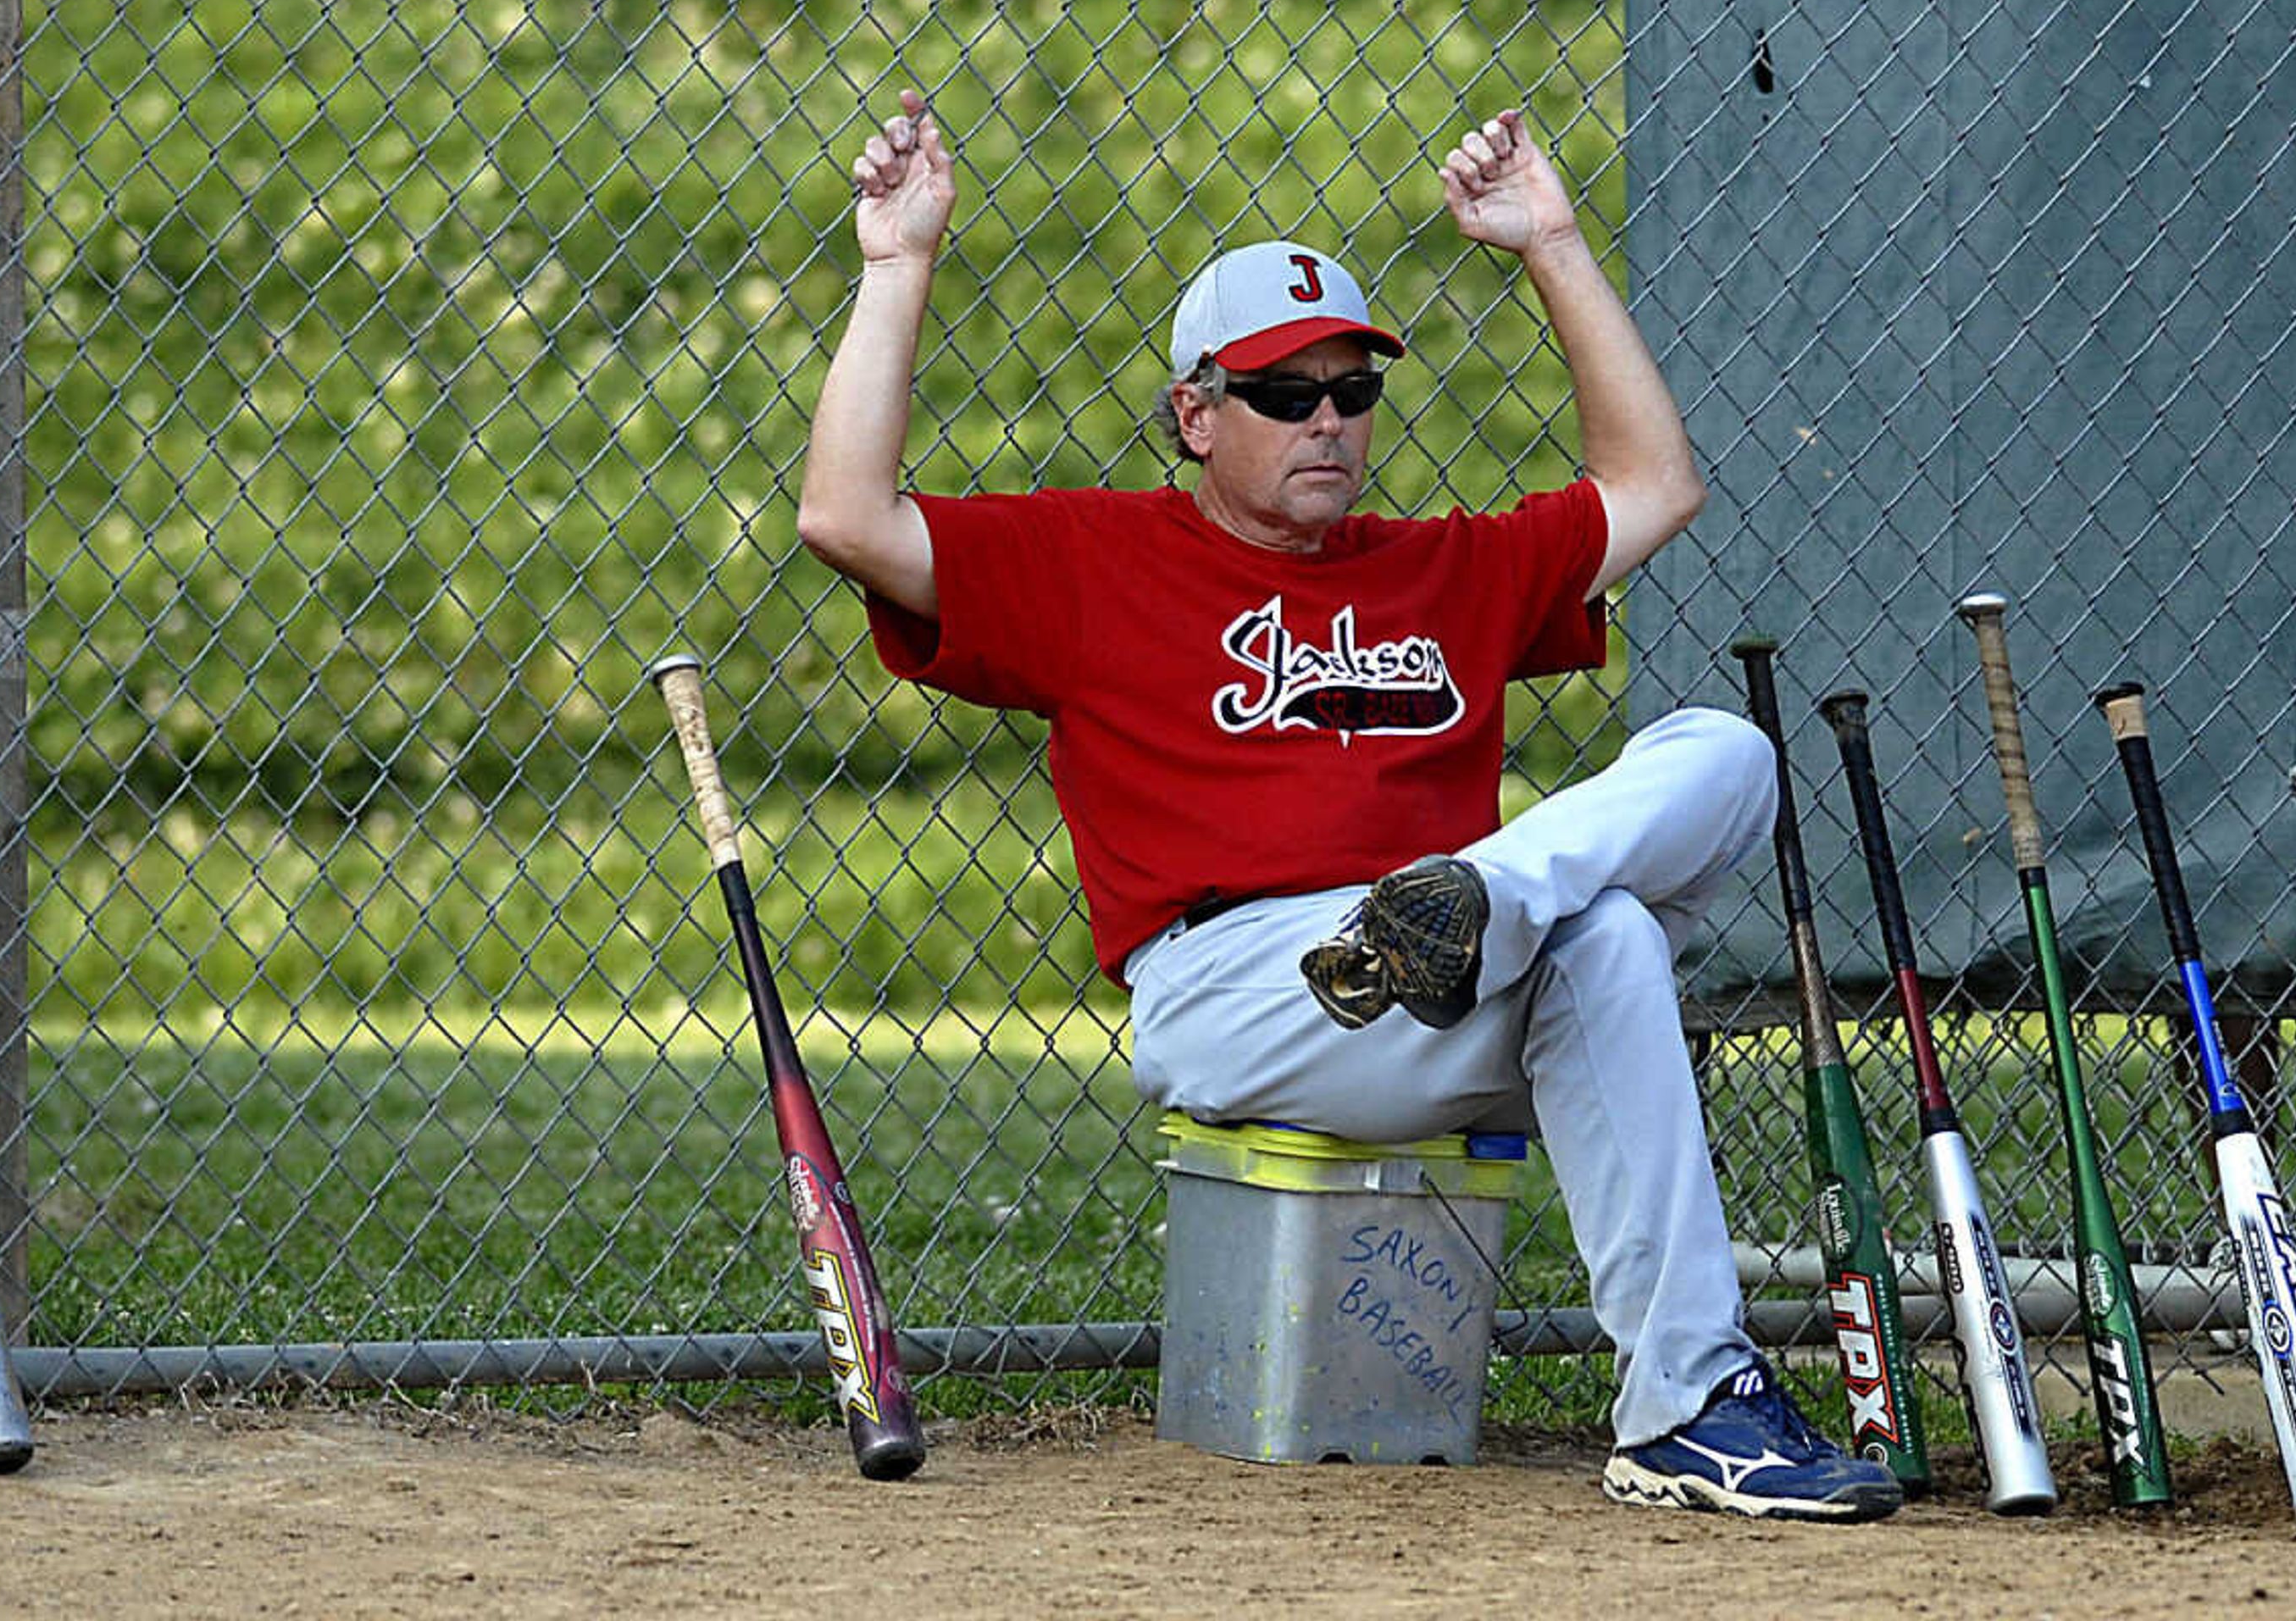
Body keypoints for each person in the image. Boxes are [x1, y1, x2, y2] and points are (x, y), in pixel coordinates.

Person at [794, 89, 1902, 1524]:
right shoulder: (1096, 558)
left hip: (1446, 973)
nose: (1327, 418)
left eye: (1353, 390)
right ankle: (1480, 905)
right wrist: (899, 273)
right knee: (1608, 924)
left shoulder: (1438, 566)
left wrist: (1554, 242)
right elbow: (847, 516)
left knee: (1712, 778)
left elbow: (1655, 483)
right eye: (1282, 392)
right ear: (1193, 414)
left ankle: (1686, 1405)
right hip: (1243, 979)